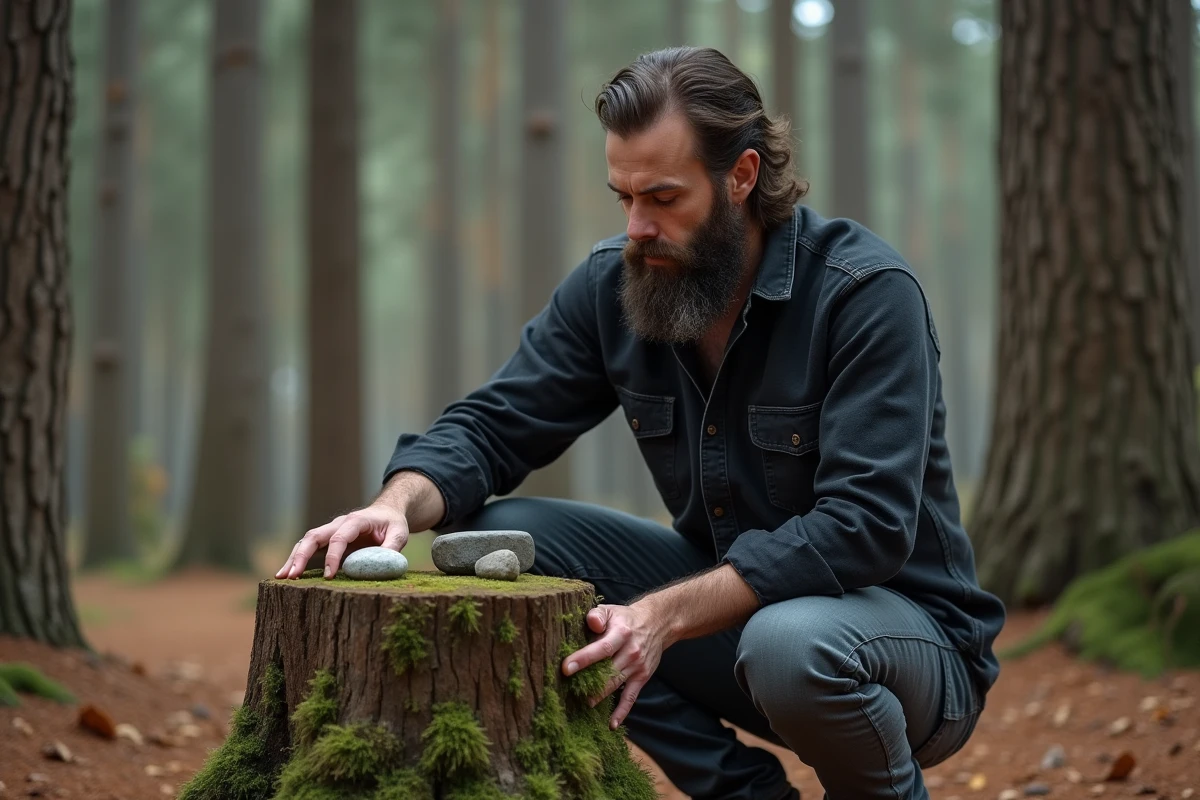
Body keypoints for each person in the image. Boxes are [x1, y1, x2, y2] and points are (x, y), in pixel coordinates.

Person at [277, 46, 1006, 800]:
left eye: (662, 198)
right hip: (736, 634)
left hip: (906, 655)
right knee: (513, 542)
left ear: (742, 178)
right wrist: (394, 503)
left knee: (790, 643)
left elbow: (865, 525)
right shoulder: (614, 286)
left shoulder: (863, 294)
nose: (637, 226)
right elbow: (494, 425)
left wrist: (660, 614)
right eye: (622, 197)